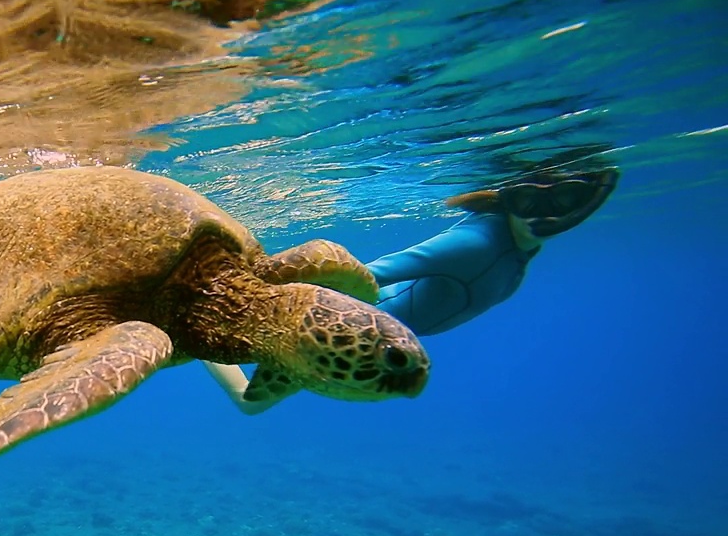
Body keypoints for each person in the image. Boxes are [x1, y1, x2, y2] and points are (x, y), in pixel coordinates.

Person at [205, 168, 621, 413]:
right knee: (249, 400)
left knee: (251, 400)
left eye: (566, 200)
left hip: (376, 344)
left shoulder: (514, 248)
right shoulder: (476, 244)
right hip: (345, 336)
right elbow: (368, 274)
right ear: (510, 198)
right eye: (528, 201)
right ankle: (196, 332)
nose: (544, 215)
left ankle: (201, 330)